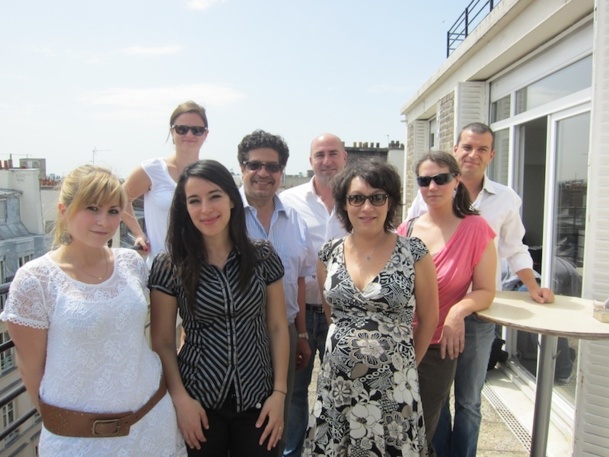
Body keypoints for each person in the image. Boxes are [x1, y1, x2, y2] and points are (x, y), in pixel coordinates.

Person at [0, 165, 186, 456]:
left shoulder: (131, 263)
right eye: (92, 208)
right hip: (80, 439)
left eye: (113, 211)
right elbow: (32, 372)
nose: (104, 221)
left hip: (154, 422)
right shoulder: (35, 279)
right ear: (64, 210)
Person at [405, 122, 554, 457]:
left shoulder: (503, 200)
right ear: (456, 150)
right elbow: (411, 245)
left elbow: (516, 248)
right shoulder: (423, 199)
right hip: (431, 319)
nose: (473, 154)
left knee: (469, 401)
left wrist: (533, 286)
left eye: (481, 149)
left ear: (491, 155)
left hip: (478, 314)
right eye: (467, 147)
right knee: (435, 400)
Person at [149, 160, 289, 456]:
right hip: (197, 403)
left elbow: (276, 327)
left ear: (231, 200)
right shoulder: (169, 265)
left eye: (214, 196)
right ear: (184, 208)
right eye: (194, 200)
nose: (206, 209)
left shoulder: (263, 256)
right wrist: (181, 400)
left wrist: (279, 393)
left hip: (258, 400)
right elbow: (162, 342)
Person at [304, 159, 439, 456]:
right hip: (337, 388)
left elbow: (429, 318)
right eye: (357, 198)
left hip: (394, 388)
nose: (367, 208)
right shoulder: (328, 253)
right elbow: (333, 315)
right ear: (344, 204)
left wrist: (404, 365)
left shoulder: (414, 253)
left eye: (377, 197)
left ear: (389, 202)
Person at [396, 151, 497, 456]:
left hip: (438, 347)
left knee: (418, 430)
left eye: (440, 178)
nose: (432, 187)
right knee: (398, 428)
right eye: (424, 180)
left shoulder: (476, 228)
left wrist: (457, 310)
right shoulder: (407, 229)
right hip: (399, 344)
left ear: (456, 180)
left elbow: (485, 290)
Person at [237, 129, 316, 452]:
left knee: (277, 423)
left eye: (272, 167)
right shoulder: (224, 216)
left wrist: (300, 335)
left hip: (283, 332)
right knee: (242, 425)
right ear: (241, 167)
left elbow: (298, 280)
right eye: (255, 165)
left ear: (282, 173)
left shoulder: (296, 221)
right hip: (238, 334)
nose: (263, 173)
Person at [280, 133, 349, 457]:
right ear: (310, 162)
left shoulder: (358, 198)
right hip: (300, 312)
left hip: (345, 313)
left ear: (344, 158)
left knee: (341, 389)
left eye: (333, 153)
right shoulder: (289, 200)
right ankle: (292, 451)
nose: (326, 160)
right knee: (295, 391)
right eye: (319, 154)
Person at [122, 100, 209, 263]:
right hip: (162, 273)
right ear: (172, 132)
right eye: (182, 129)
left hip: (203, 271)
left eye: (197, 130)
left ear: (205, 135)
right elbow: (118, 200)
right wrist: (138, 233)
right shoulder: (152, 170)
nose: (189, 135)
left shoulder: (210, 175)